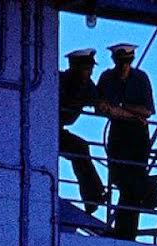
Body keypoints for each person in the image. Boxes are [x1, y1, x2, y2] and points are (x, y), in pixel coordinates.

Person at [97, 42, 156, 241]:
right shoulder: (107, 78)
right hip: (119, 136)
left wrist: (120, 108)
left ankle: (126, 234)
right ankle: (150, 190)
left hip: (137, 137)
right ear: (115, 60)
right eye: (121, 61)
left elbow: (146, 111)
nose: (124, 66)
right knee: (123, 182)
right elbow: (101, 107)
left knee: (131, 185)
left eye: (127, 61)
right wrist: (130, 112)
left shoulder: (140, 78)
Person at [59, 47, 105, 213]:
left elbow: (99, 104)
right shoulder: (60, 81)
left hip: (56, 129)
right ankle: (93, 196)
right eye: (86, 68)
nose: (90, 72)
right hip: (44, 128)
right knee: (79, 148)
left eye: (90, 68)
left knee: (80, 147)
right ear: (75, 67)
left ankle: (93, 197)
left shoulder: (87, 86)